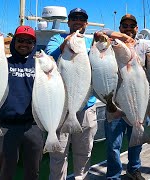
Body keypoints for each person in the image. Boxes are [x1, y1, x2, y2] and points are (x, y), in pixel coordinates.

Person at [44, 8, 98, 180]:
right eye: (74, 18)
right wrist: (65, 44)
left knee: (84, 152)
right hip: (61, 108)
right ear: (68, 22)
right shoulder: (57, 39)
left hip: (86, 105)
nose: (77, 21)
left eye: (82, 19)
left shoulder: (92, 42)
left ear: (86, 24)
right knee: (58, 154)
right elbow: (48, 58)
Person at [103, 14, 150, 180]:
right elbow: (102, 32)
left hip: (139, 102)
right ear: (120, 28)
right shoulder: (113, 43)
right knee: (113, 145)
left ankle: (134, 169)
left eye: (132, 26)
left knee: (136, 140)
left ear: (137, 28)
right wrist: (121, 37)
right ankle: (113, 176)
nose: (128, 29)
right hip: (115, 103)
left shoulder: (144, 45)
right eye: (125, 26)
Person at [0, 25, 44, 180]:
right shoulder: (2, 64)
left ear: (34, 45)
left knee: (33, 172)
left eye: (29, 41)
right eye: (20, 40)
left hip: (33, 126)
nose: (24, 44)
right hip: (5, 126)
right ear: (14, 42)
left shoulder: (41, 66)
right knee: (5, 172)